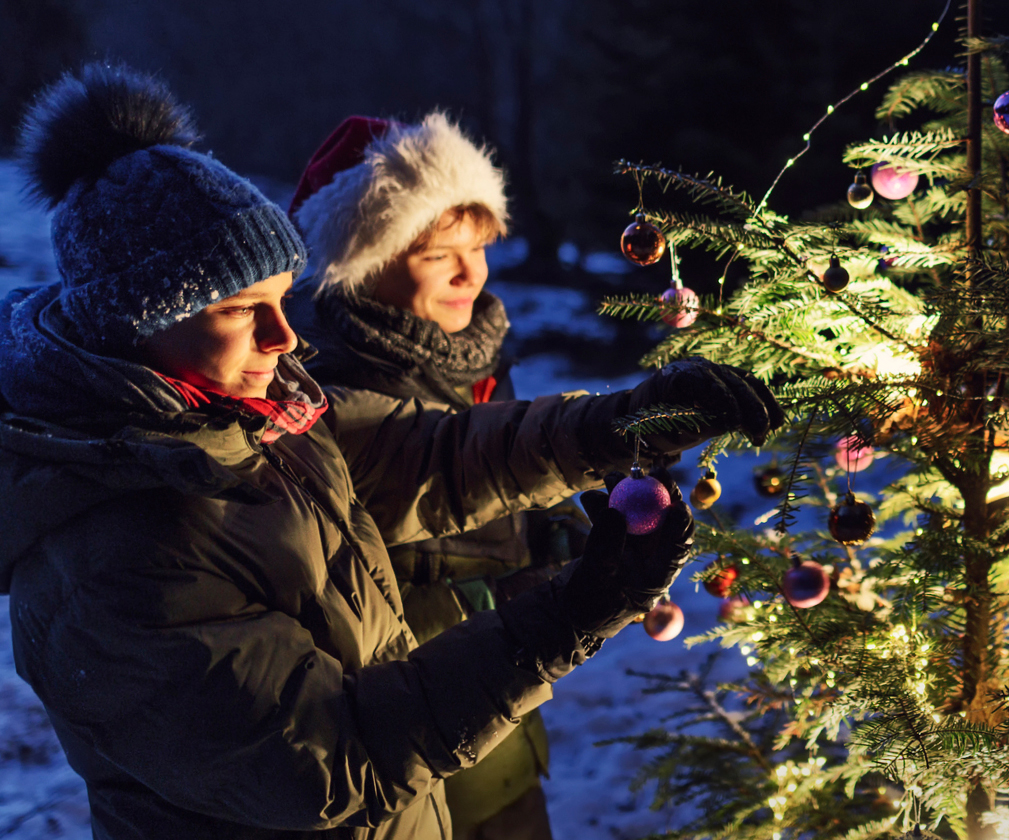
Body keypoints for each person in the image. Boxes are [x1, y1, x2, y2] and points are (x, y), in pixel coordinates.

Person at [0, 64, 783, 840]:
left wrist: (625, 424)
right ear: (132, 324)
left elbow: (432, 455)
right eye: (245, 310)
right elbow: (331, 758)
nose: (286, 336)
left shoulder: (255, 416)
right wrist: (570, 614)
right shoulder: (116, 556)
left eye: (280, 298)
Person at [285, 112, 572, 838]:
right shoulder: (325, 399)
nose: (471, 273)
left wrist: (557, 532)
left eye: (477, 246)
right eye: (440, 252)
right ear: (361, 263)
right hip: (409, 758)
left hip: (503, 741)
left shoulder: (473, 361)